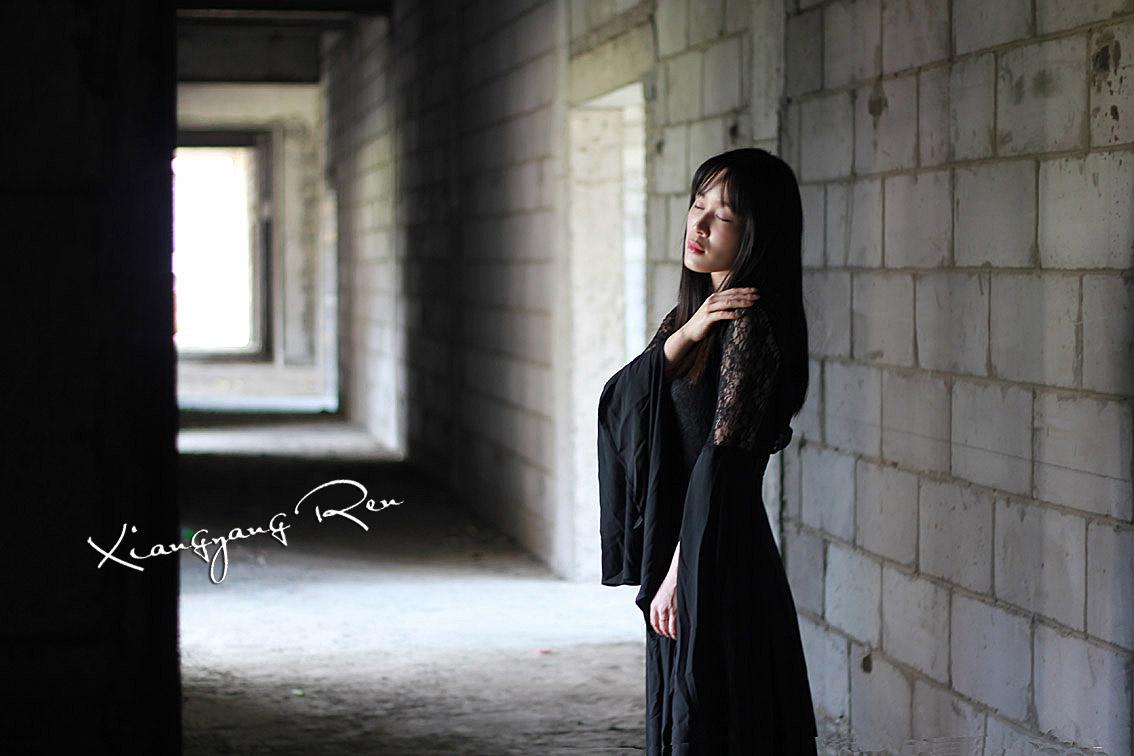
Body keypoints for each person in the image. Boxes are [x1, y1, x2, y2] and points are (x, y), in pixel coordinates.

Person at [597, 147, 818, 754]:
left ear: (756, 233)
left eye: (722, 216)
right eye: (698, 205)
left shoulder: (750, 323)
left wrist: (678, 573)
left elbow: (723, 466)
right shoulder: (693, 316)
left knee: (719, 719)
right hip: (690, 544)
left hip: (717, 550)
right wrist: (691, 330)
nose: (699, 225)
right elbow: (622, 401)